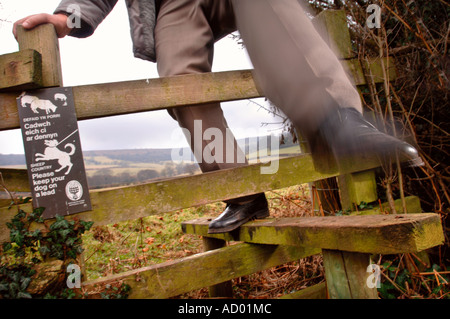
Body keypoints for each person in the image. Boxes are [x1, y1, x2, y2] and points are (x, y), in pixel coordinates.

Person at [13, 0, 421, 233]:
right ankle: (242, 190)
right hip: (172, 5)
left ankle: (339, 120)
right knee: (178, 79)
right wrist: (67, 17)